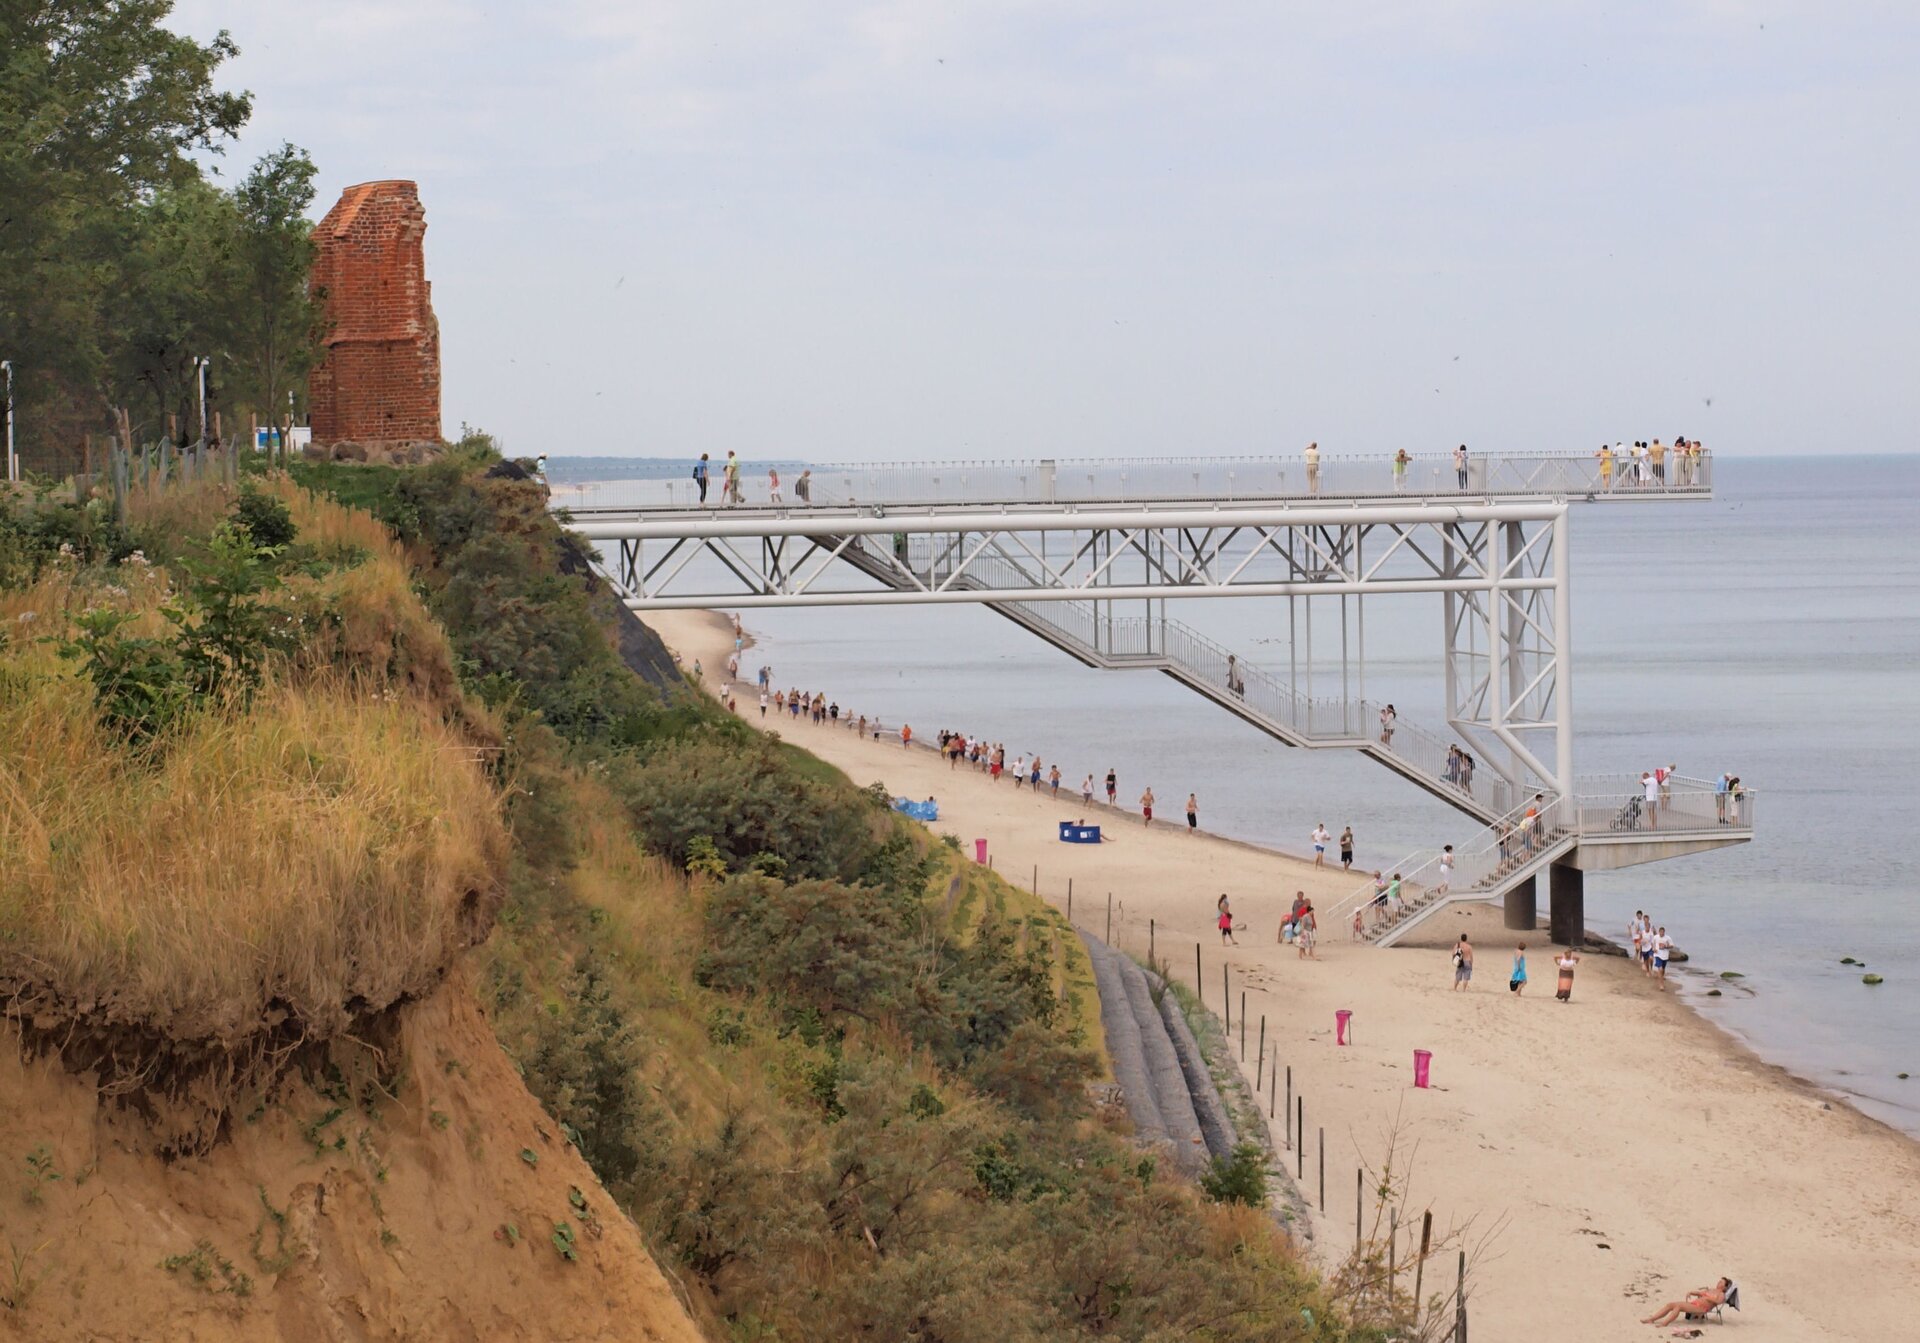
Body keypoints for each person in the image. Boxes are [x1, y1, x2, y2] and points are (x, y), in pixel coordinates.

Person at [1642, 1278, 1733, 1327]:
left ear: (1725, 1287)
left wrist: (1709, 1298)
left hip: (1701, 1308)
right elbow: (1700, 1293)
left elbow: (1718, 1301)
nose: (1718, 1283)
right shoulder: (1711, 1290)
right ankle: (1652, 1319)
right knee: (1670, 1304)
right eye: (1719, 1281)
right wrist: (1691, 1292)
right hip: (1694, 1304)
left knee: (1678, 1307)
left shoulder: (1721, 1294)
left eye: (1721, 1282)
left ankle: (1664, 1324)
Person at [1653, 926, 1673, 990]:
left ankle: (1661, 978)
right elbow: (1652, 943)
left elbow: (1672, 946)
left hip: (1665, 956)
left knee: (1663, 970)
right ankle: (1661, 985)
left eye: (1663, 932)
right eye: (1660, 932)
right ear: (1659, 932)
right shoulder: (1656, 937)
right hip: (1657, 955)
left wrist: (1666, 946)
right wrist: (1654, 949)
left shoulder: (1668, 938)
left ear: (1664, 932)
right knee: (1660, 969)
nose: (1661, 933)